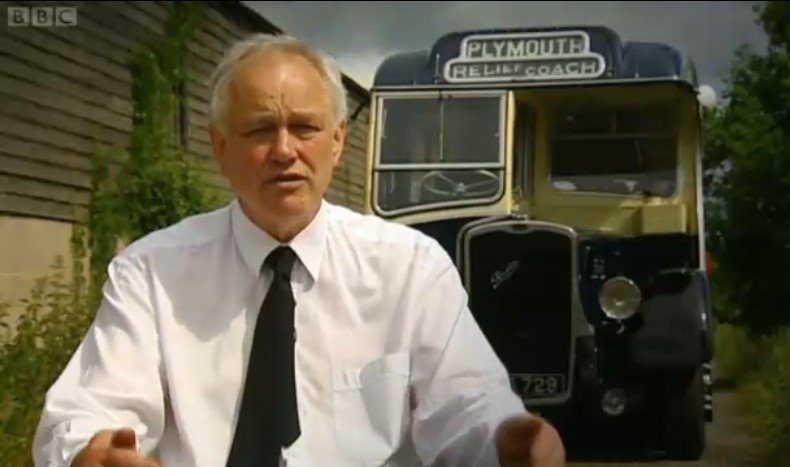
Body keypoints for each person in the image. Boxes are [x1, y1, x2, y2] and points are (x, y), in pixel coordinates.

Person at [32, 33, 565, 467]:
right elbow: (89, 410)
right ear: (220, 146)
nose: (285, 150)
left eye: (305, 128)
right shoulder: (151, 272)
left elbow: (468, 405)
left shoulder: (410, 269)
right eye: (260, 129)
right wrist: (90, 453)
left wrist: (508, 440)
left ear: (337, 141)